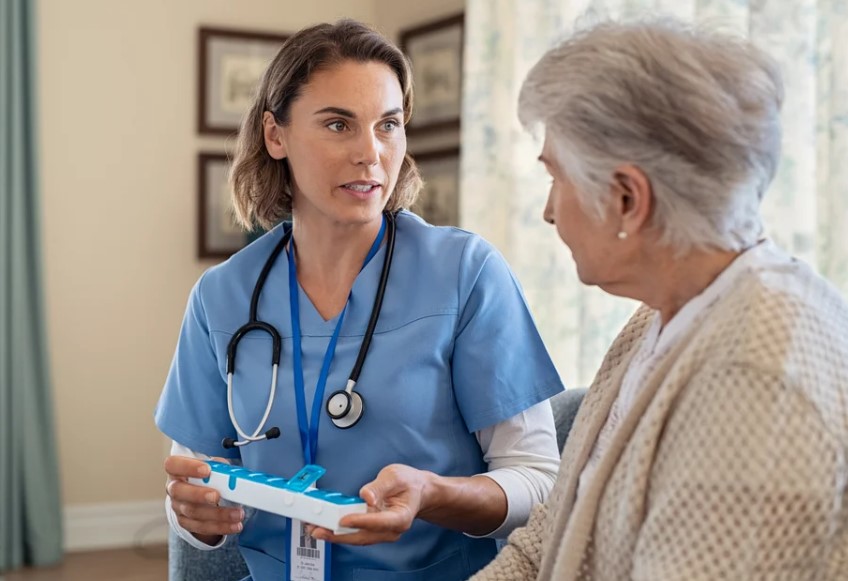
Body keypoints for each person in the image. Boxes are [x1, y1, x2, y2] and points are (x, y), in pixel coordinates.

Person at [155, 19, 564, 581]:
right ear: (276, 136)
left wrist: (432, 493)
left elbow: (538, 480)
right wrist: (196, 516)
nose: (370, 153)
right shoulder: (222, 297)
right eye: (338, 124)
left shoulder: (465, 274)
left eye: (388, 125)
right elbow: (197, 481)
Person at [472, 18, 848, 581]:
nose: (549, 211)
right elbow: (543, 544)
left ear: (628, 198)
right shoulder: (658, 318)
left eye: (555, 177)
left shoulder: (758, 364)